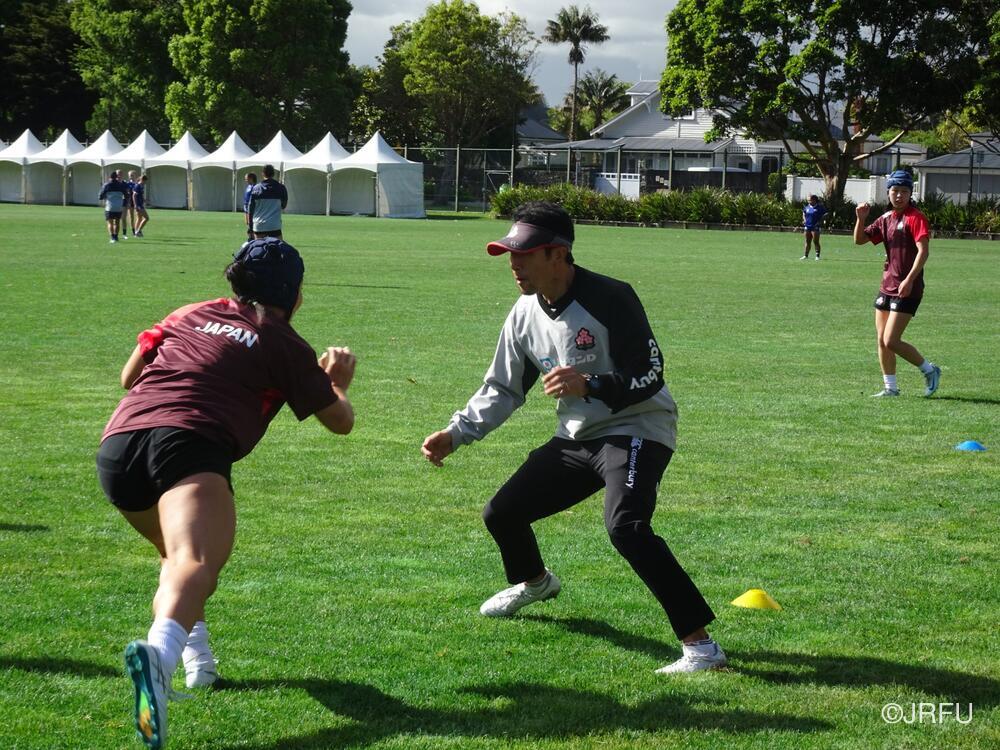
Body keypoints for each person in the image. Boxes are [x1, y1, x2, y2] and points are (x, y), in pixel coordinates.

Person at [421, 201, 725, 675]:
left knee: (626, 527)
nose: (514, 264)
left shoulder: (611, 297)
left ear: (558, 254)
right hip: (577, 437)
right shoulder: (523, 314)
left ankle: (702, 649)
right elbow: (503, 388)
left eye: (525, 254)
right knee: (502, 513)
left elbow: (650, 374)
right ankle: (536, 582)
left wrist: (592, 384)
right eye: (510, 254)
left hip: (637, 428)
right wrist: (456, 433)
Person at [97, 238, 357, 748]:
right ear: (296, 295)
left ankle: (199, 663)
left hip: (119, 447)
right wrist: (339, 383)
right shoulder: (283, 342)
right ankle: (158, 659)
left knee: (176, 559)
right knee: (195, 563)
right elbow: (340, 422)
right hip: (188, 444)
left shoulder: (190, 311)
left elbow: (130, 377)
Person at [854, 170, 941, 397]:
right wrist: (861, 218)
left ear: (911, 194)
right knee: (881, 340)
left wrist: (909, 279)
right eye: (895, 191)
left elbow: (923, 251)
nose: (899, 195)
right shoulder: (886, 219)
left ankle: (930, 370)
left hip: (908, 288)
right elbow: (860, 240)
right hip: (887, 286)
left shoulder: (916, 217)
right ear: (888, 193)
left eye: (904, 191)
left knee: (891, 340)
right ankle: (890, 388)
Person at [247, 164, 288, 239]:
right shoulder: (281, 188)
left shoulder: (256, 188)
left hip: (259, 226)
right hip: (274, 225)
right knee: (276, 246)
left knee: (259, 246)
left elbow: (250, 209)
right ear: (273, 174)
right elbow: (283, 205)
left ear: (263, 173)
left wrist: (250, 228)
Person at [99, 170, 128, 244]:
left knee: (110, 223)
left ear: (110, 177)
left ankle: (112, 237)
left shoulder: (107, 185)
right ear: (116, 177)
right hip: (119, 207)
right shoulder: (121, 185)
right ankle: (116, 236)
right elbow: (127, 195)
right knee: (117, 222)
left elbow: (100, 196)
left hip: (110, 207)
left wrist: (106, 196)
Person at [800, 194, 827, 259]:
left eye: (810, 200)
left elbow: (826, 214)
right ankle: (806, 255)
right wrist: (804, 220)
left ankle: (817, 256)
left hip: (815, 227)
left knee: (816, 241)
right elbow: (804, 213)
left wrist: (821, 221)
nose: (808, 201)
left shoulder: (819, 207)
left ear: (814, 200)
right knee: (807, 241)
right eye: (808, 200)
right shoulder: (807, 207)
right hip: (807, 226)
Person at [122, 170, 138, 239]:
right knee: (124, 217)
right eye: (130, 175)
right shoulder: (127, 184)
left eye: (132, 175)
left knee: (133, 218)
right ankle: (125, 233)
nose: (131, 177)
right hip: (127, 202)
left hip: (135, 202)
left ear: (135, 176)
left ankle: (134, 232)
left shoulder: (137, 184)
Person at [243, 172, 257, 241]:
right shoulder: (249, 186)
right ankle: (251, 237)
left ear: (251, 178)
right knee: (247, 223)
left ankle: (253, 237)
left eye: (246, 178)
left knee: (251, 223)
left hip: (251, 207)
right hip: (246, 206)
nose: (245, 180)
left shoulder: (255, 187)